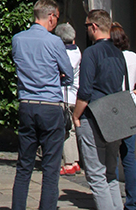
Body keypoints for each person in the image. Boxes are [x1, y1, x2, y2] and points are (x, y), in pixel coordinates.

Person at [11, 0, 73, 210]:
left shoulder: (18, 39)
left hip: (27, 104)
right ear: (51, 16)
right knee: (50, 167)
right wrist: (57, 79)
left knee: (24, 165)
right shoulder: (54, 42)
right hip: (50, 106)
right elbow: (69, 74)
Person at [74, 10, 126, 210]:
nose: (86, 29)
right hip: (114, 115)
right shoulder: (118, 53)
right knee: (110, 173)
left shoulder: (91, 52)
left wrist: (76, 116)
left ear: (94, 27)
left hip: (93, 115)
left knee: (96, 175)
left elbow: (85, 90)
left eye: (86, 25)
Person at [112, 22, 136, 210]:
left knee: (111, 156)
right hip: (130, 105)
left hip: (112, 106)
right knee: (129, 156)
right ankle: (132, 201)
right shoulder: (134, 57)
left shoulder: (109, 57)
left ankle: (112, 200)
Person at [56, 23, 82, 176]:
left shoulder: (64, 54)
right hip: (75, 95)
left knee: (64, 130)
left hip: (65, 95)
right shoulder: (77, 51)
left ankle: (69, 163)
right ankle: (75, 161)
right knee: (71, 129)